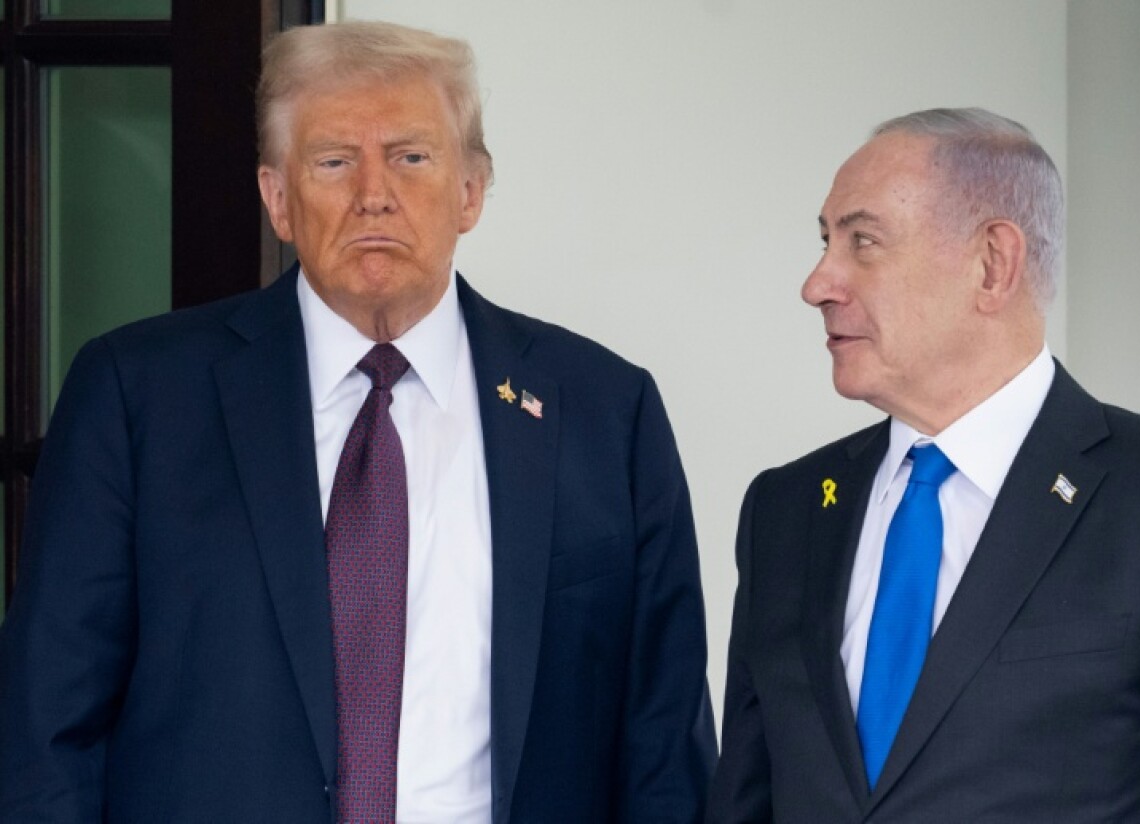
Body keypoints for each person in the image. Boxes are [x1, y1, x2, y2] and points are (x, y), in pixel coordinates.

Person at [0, 21, 716, 822]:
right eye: (334, 161)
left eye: (411, 157)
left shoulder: (605, 411)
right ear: (279, 198)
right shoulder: (137, 396)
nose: (374, 192)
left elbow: (665, 748)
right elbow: (48, 726)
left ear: (471, 190)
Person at [708, 108, 1140, 822]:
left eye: (863, 242)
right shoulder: (786, 508)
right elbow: (745, 799)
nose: (818, 282)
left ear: (992, 264)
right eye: (826, 242)